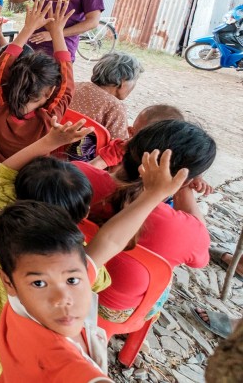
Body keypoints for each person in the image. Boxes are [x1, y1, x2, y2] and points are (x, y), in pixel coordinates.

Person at [0, 149, 189, 382]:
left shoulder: (24, 291)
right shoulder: (54, 356)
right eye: (40, 283)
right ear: (8, 282)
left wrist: (153, 196)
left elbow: (110, 240)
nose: (63, 297)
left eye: (72, 280)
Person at [0, 118, 108, 383]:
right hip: (34, 345)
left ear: (21, 199)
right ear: (84, 215)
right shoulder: (76, 256)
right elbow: (99, 279)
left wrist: (50, 142)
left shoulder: (11, 216)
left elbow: (4, 172)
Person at [0, 0, 74, 275]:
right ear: (47, 94)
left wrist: (27, 29)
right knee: (18, 235)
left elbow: (1, 68)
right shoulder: (47, 120)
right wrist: (57, 32)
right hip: (26, 190)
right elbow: (67, 86)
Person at [80, 121, 215, 323]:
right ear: (184, 179)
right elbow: (200, 260)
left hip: (68, 274)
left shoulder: (78, 174)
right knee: (167, 277)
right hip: (110, 308)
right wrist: (183, 189)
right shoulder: (187, 230)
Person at [70, 51, 143, 140]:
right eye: (135, 80)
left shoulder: (73, 86)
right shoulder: (114, 107)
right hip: (83, 152)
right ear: (123, 80)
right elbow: (118, 144)